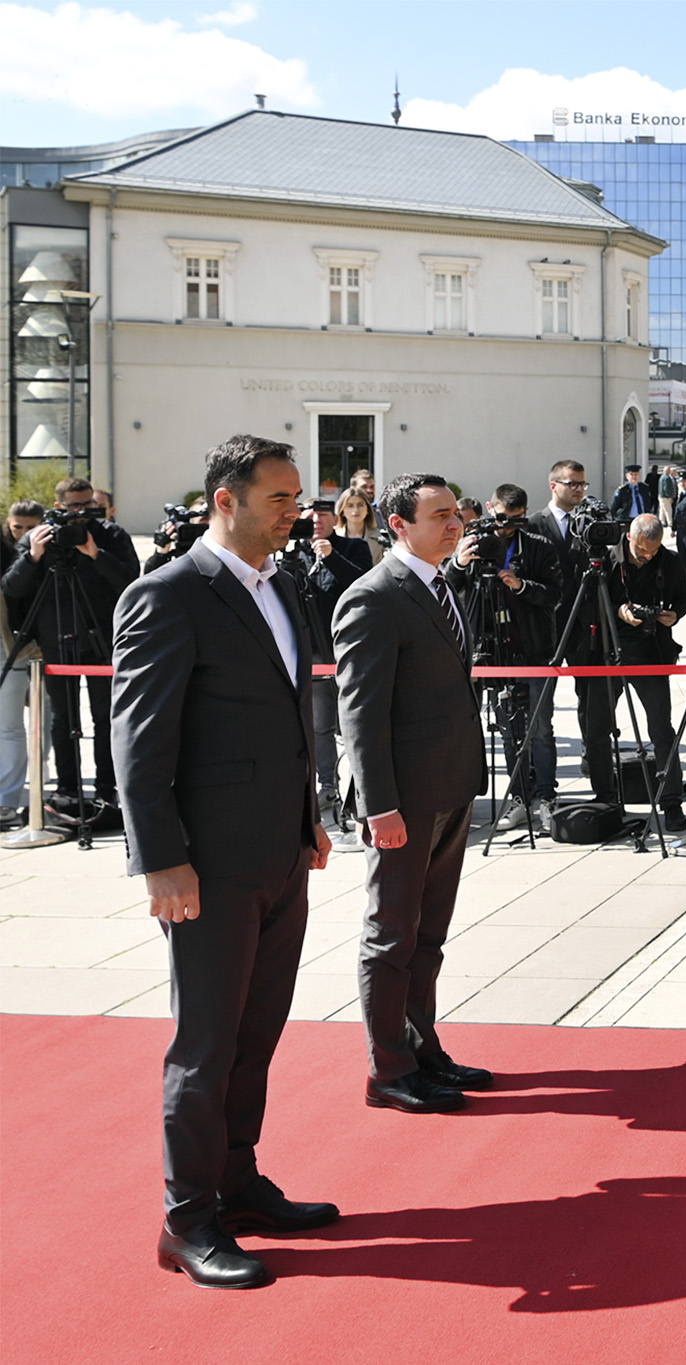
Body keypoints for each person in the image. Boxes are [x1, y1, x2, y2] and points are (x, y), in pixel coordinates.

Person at [110, 434, 337, 1290]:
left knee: (256, 1032)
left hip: (279, 851)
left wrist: (309, 821)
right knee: (204, 1044)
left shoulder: (282, 584)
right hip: (205, 863)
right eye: (280, 498)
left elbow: (290, 718)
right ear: (224, 500)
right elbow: (140, 741)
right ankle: (187, 1217)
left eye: (297, 497)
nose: (297, 512)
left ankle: (236, 1182)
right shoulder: (168, 594)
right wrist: (161, 859)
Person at [335, 472, 490, 1115]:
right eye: (440, 516)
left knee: (429, 934)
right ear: (398, 525)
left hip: (450, 785)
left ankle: (423, 1047)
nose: (456, 525)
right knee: (392, 935)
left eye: (457, 513)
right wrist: (380, 806)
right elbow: (361, 713)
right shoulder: (374, 595)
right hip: (403, 799)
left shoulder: (441, 583)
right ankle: (388, 1069)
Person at [1, 474, 140, 822]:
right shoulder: (39, 538)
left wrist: (95, 554)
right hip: (55, 639)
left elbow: (132, 583)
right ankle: (67, 790)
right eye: (74, 505)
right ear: (59, 504)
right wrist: (33, 556)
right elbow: (12, 589)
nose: (81, 512)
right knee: (63, 720)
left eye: (87, 504)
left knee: (106, 718)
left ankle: (107, 791)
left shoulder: (110, 535)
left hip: (101, 641)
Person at [445, 484, 563, 833]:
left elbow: (556, 594)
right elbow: (447, 589)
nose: (507, 527)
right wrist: (459, 561)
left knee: (540, 730)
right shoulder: (473, 543)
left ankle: (546, 796)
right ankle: (519, 798)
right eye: (502, 519)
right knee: (509, 731)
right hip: (493, 652)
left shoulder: (539, 546)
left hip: (535, 649)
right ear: (488, 508)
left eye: (516, 520)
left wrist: (521, 585)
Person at [276, 497, 373, 844]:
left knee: (352, 725)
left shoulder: (353, 547)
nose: (316, 521)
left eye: (322, 515)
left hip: (345, 648)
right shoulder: (290, 553)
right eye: (309, 516)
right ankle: (328, 786)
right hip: (310, 650)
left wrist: (332, 556)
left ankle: (356, 789)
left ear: (335, 518)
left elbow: (363, 584)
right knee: (319, 725)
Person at [527, 458, 622, 805]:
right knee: (541, 711)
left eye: (583, 484)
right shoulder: (534, 523)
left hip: (587, 627)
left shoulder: (592, 524)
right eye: (572, 484)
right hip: (545, 628)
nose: (580, 490)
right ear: (554, 485)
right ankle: (543, 789)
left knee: (592, 704)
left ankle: (598, 772)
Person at [608, 513, 686, 828]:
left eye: (653, 551)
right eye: (642, 550)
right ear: (629, 537)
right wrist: (619, 611)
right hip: (611, 653)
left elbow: (684, 596)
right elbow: (589, 599)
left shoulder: (670, 562)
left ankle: (672, 803)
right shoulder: (607, 557)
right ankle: (606, 801)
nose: (647, 556)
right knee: (600, 728)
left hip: (651, 653)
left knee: (662, 732)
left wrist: (674, 615)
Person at [0, 502, 42, 830]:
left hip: (8, 646)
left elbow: (14, 592)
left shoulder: (10, 552)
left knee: (9, 725)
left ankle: (7, 802)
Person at [332, 486, 385, 565]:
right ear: (342, 511)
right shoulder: (333, 535)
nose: (356, 510)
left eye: (360, 505)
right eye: (350, 506)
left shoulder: (380, 538)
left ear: (367, 510)